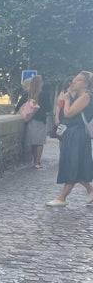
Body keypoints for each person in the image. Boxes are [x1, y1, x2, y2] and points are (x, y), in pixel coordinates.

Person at [46, 71, 93, 207]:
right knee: (75, 164)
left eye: (77, 80)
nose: (74, 82)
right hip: (74, 133)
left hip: (77, 134)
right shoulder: (81, 95)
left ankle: (62, 197)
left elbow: (69, 113)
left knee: (72, 163)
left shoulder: (86, 96)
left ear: (85, 83)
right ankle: (90, 190)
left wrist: (66, 100)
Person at [13, 75, 51, 168]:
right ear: (40, 84)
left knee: (33, 141)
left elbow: (17, 106)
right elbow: (49, 108)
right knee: (39, 142)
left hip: (29, 120)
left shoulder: (27, 94)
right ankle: (37, 162)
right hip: (40, 120)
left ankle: (35, 160)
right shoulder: (44, 94)